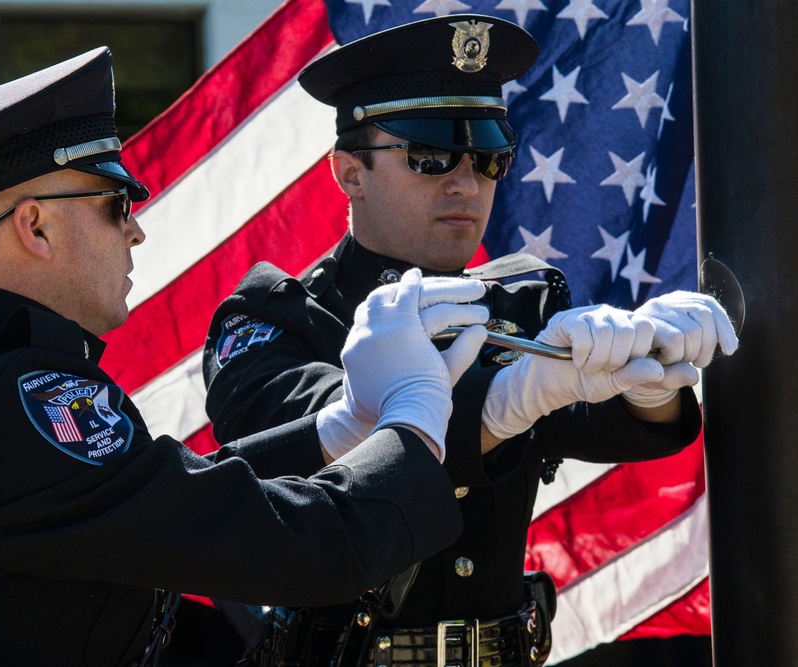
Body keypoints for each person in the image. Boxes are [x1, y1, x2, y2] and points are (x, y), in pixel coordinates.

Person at [0, 46, 496, 667]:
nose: (136, 228)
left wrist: (336, 429)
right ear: (36, 226)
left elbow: (163, 497)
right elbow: (297, 549)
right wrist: (415, 419)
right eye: (115, 204)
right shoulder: (13, 404)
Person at [201, 14, 739, 667]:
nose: (464, 184)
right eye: (428, 156)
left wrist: (652, 376)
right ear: (349, 173)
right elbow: (324, 430)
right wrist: (508, 396)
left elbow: (607, 422)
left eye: (488, 156)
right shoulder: (272, 318)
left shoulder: (520, 300)